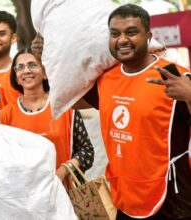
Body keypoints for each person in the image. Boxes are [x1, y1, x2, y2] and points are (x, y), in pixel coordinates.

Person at [79, 4, 191, 219]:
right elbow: (71, 102)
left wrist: (189, 95)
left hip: (171, 197)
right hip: (124, 195)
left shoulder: (175, 76)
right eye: (115, 34)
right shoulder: (106, 79)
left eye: (131, 32)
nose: (122, 40)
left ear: (148, 36)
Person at [0, 47, 94, 180]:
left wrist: (65, 170)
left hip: (62, 194)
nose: (26, 70)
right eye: (20, 67)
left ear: (44, 73)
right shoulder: (5, 116)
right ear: (17, 78)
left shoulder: (64, 107)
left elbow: (87, 151)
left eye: (32, 65)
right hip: (24, 196)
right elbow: (2, 160)